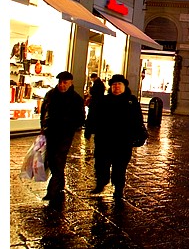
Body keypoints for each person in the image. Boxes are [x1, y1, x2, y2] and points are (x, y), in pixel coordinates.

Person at [84, 74, 144, 198]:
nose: (116, 87)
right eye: (114, 84)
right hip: (104, 139)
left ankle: (118, 189)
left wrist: (139, 135)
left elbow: (138, 119)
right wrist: (89, 130)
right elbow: (93, 116)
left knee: (120, 166)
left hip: (123, 140)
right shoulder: (104, 100)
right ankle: (101, 182)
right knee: (101, 163)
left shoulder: (131, 101)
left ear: (124, 86)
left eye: (119, 84)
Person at [40, 71, 85, 202]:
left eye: (65, 82)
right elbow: (44, 111)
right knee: (53, 159)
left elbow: (81, 117)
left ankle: (52, 191)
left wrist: (71, 126)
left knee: (57, 159)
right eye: (60, 82)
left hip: (65, 134)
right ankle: (60, 183)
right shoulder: (51, 95)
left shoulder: (76, 98)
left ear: (70, 83)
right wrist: (43, 127)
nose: (61, 85)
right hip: (50, 132)